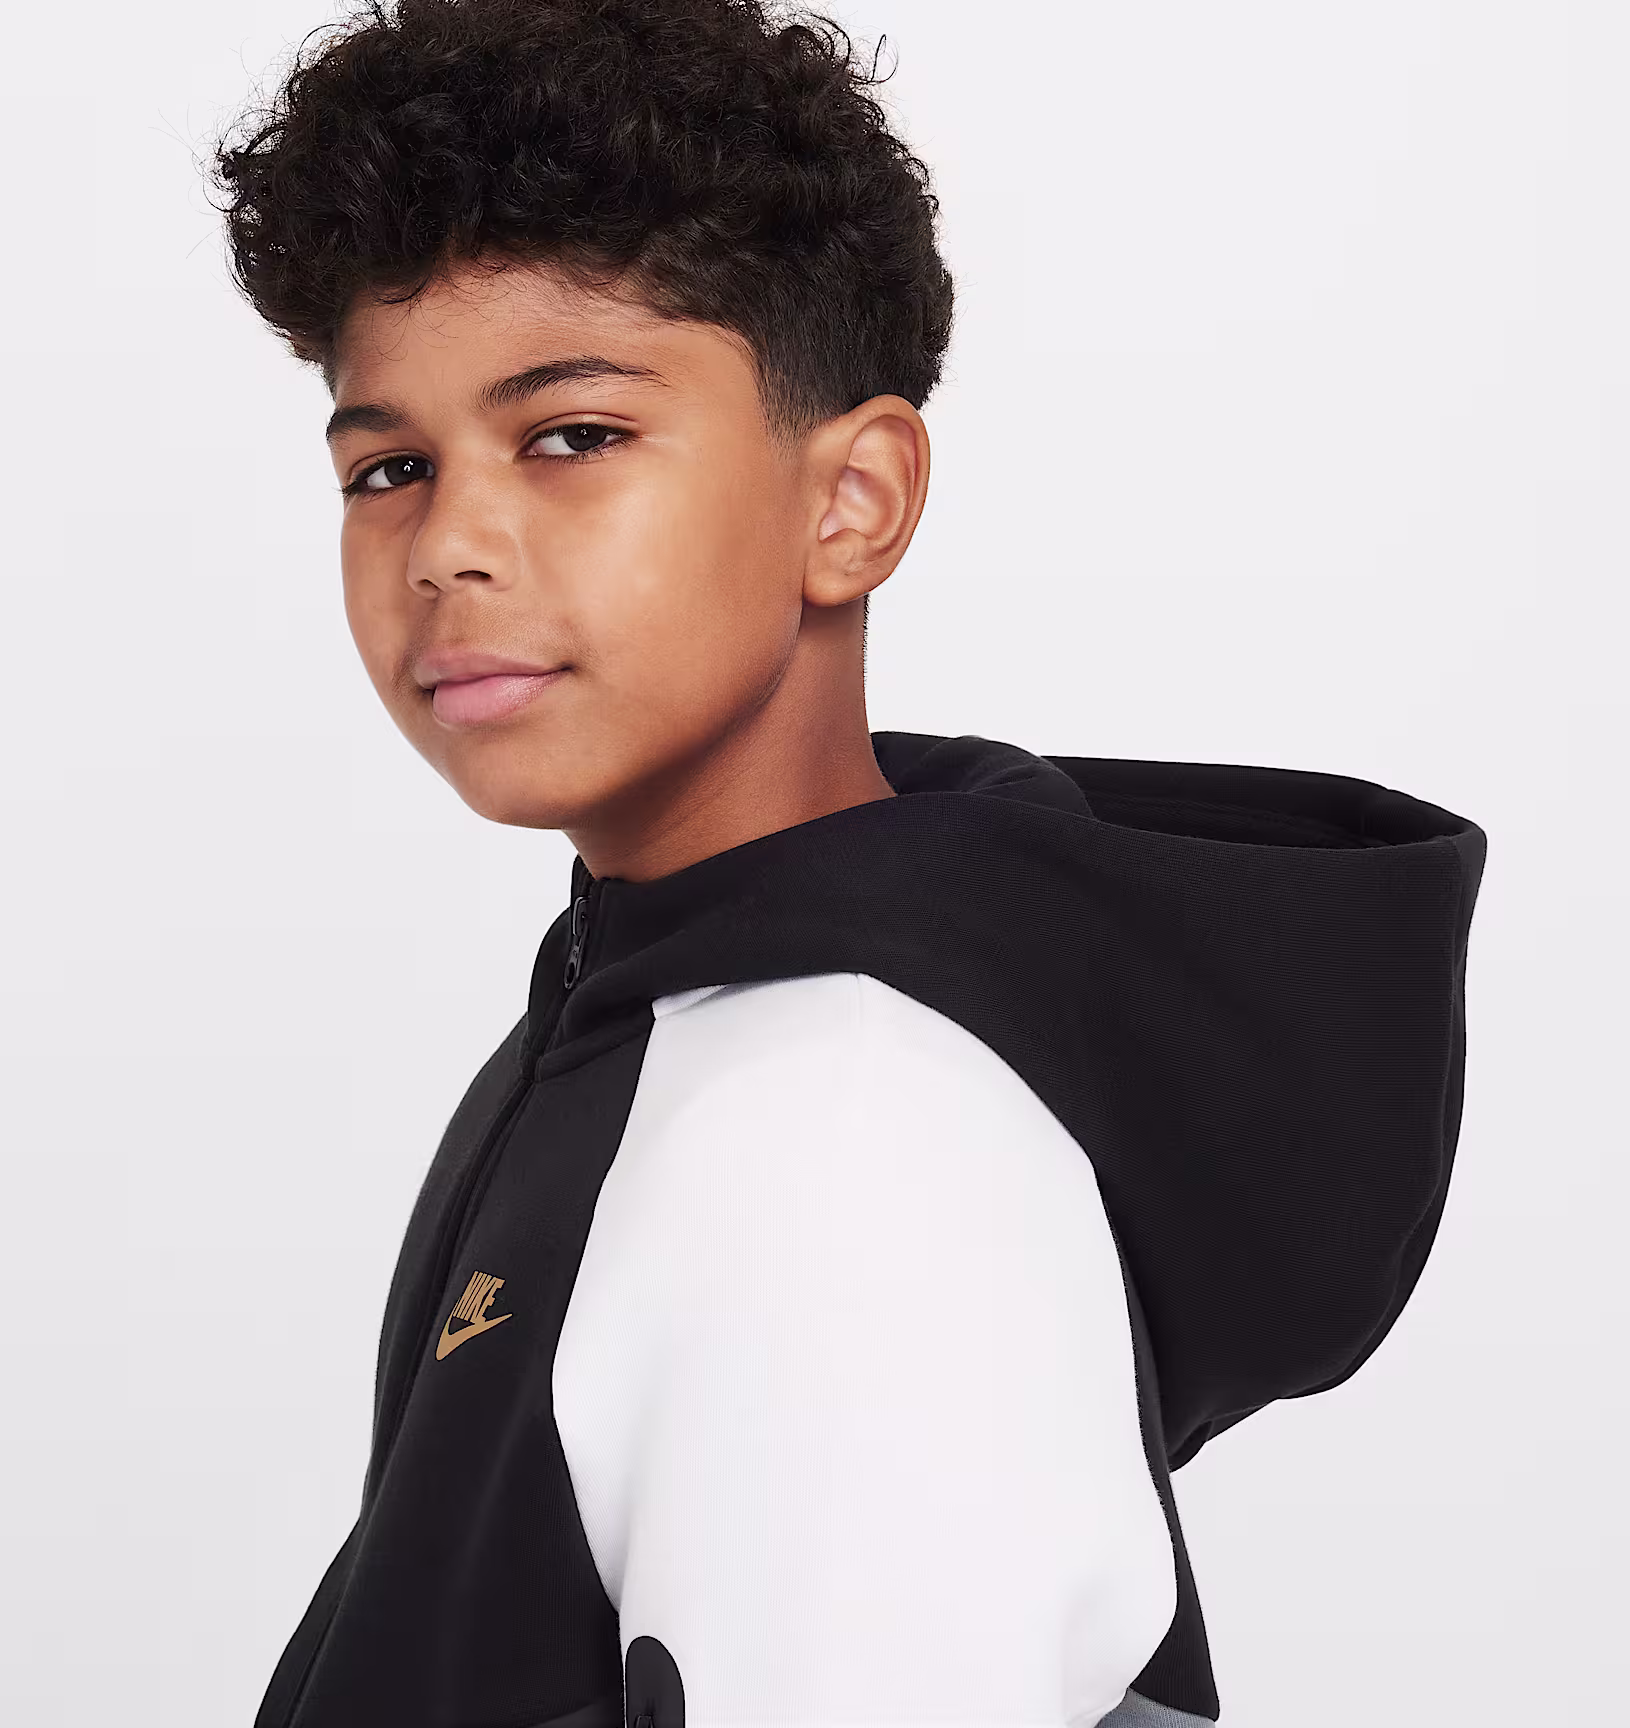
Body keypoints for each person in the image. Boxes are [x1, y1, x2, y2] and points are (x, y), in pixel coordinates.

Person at [211, 3, 1486, 1725]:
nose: (448, 543)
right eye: (390, 467)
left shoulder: (838, 1130)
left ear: (853, 502)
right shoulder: (647, 1010)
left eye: (573, 435)